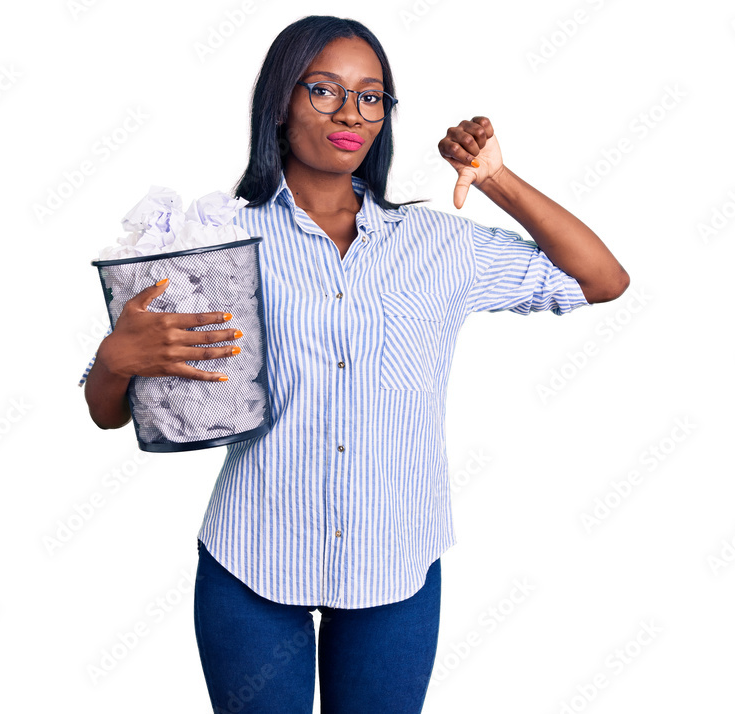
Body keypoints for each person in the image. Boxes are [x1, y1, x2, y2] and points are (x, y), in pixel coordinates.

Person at [82, 14, 628, 714]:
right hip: (252, 561)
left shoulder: (439, 245)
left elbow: (602, 279)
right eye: (324, 90)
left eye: (372, 96)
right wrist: (112, 360)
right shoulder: (222, 234)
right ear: (280, 103)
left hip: (395, 566)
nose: (351, 113)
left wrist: (496, 179)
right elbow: (111, 411)